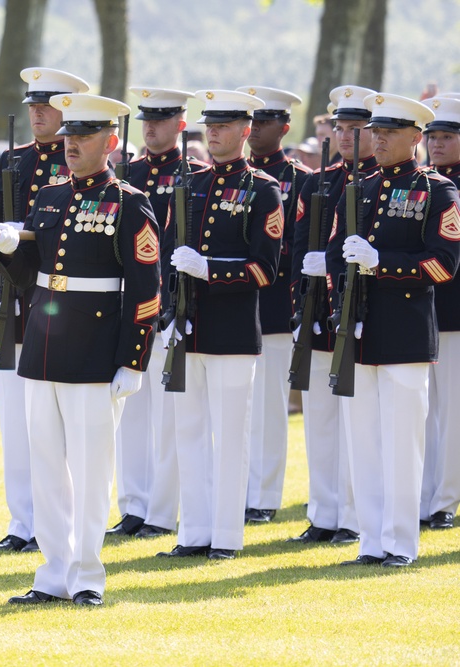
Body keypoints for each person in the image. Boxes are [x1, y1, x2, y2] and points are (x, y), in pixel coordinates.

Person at [0, 93, 161, 606]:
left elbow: (146, 287)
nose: (70, 146)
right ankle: (53, 573)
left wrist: (132, 360)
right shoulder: (47, 196)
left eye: (83, 138)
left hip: (94, 349)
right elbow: (31, 277)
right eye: (67, 137)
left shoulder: (129, 202)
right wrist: (9, 252)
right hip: (44, 348)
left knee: (90, 470)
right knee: (46, 467)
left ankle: (86, 575)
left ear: (110, 143)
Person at [326, 93, 460, 568]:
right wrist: (340, 302)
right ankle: (370, 540)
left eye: (389, 132)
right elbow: (334, 257)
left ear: (415, 138)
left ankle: (400, 542)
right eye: (375, 132)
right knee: (363, 441)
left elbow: (444, 265)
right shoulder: (358, 189)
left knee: (403, 441)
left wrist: (383, 264)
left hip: (405, 330)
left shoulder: (438, 191)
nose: (377, 139)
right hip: (360, 331)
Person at [159, 90, 283, 561]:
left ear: (245, 131)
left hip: (232, 330)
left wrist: (210, 269)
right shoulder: (188, 185)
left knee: (231, 436)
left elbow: (265, 269)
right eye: (210, 124)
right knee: (188, 433)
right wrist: (171, 311)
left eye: (226, 125)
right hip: (190, 328)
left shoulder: (263, 189)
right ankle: (193, 532)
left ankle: (227, 536)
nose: (214, 132)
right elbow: (170, 257)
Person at [0, 67, 89, 552]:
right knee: (15, 423)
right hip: (13, 309)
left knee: (60, 426)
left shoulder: (83, 164)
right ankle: (23, 522)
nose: (38, 113)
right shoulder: (12, 161)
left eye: (49, 106)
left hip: (61, 310)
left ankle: (57, 522)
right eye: (33, 106)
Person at [288, 85, 379, 546]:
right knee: (321, 419)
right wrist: (300, 306)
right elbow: (299, 245)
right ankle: (324, 513)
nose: (345, 136)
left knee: (356, 424)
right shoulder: (317, 181)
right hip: (320, 312)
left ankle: (353, 516)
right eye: (340, 128)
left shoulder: (385, 182)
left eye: (355, 128)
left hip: (360, 313)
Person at [103, 87, 195, 542]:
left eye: (161, 120)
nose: (151, 127)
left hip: (171, 307)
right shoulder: (127, 174)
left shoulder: (192, 174)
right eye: (146, 120)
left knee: (167, 416)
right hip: (129, 307)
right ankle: (133, 505)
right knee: (130, 414)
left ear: (180, 124)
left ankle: (161, 510)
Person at [235, 86, 314, 525]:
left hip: (274, 304)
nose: (257, 129)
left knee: (267, 405)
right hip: (232, 305)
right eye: (253, 121)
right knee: (235, 406)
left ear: (284, 127)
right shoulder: (233, 176)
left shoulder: (299, 179)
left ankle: (262, 495)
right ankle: (238, 487)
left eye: (265, 122)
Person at [420, 96, 460, 531]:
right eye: (433, 136)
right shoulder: (421, 183)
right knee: (422, 411)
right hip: (418, 310)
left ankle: (444, 499)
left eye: (447, 136)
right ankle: (423, 493)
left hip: (453, 313)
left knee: (452, 411)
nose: (437, 144)